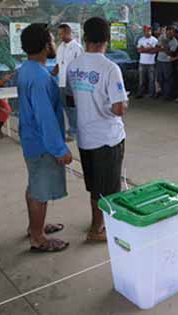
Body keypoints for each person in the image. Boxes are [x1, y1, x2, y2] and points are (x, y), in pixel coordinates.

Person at [66, 17, 128, 242]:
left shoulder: (74, 66)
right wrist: (123, 103)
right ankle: (98, 229)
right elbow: (119, 108)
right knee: (110, 187)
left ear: (84, 37)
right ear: (107, 39)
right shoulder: (110, 68)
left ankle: (98, 222)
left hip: (85, 136)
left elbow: (72, 98)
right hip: (107, 138)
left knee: (95, 185)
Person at [17, 23, 72, 253]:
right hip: (42, 144)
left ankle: (35, 227)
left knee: (34, 186)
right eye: (51, 40)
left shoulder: (28, 69)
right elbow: (45, 118)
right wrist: (60, 149)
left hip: (31, 140)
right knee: (40, 192)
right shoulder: (40, 78)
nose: (54, 43)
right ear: (44, 45)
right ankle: (38, 238)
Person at [54, 23, 83, 140]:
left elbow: (81, 66)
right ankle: (72, 126)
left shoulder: (77, 47)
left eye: (62, 34)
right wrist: (51, 75)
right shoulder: (60, 47)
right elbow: (58, 65)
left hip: (72, 83)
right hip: (61, 82)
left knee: (72, 107)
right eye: (59, 34)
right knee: (65, 106)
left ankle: (74, 131)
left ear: (68, 33)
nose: (60, 36)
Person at [156, 25, 178, 100]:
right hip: (159, 60)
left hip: (167, 62)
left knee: (168, 79)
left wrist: (164, 45)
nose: (169, 34)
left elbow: (170, 53)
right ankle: (162, 93)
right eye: (168, 33)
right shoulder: (162, 37)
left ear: (174, 34)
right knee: (160, 78)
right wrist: (165, 48)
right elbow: (157, 48)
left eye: (171, 33)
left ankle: (167, 95)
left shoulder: (175, 41)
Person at [136, 25, 158, 98]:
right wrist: (149, 49)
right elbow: (139, 50)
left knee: (151, 80)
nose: (148, 32)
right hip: (142, 62)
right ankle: (140, 93)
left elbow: (154, 51)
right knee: (141, 80)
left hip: (151, 63)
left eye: (149, 30)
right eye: (146, 31)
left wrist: (144, 49)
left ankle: (151, 94)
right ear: (144, 32)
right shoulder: (141, 40)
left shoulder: (154, 40)